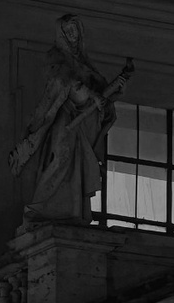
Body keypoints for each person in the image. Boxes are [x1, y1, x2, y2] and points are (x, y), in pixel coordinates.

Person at [10, 15, 133, 222]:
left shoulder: (85, 63)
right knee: (61, 155)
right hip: (64, 117)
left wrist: (115, 90)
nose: (72, 34)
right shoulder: (56, 58)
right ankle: (39, 207)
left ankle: (75, 211)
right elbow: (63, 81)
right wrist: (92, 95)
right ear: (62, 35)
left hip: (83, 123)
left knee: (78, 165)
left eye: (74, 29)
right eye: (67, 31)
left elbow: (101, 93)